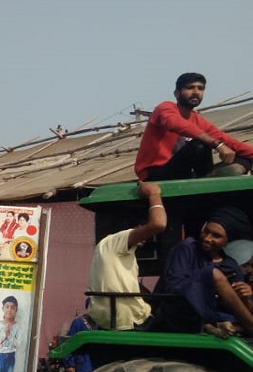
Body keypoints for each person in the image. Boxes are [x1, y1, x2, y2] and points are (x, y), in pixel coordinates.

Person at [153, 206, 253, 336]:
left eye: (216, 236)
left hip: (219, 315)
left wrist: (245, 297)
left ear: (227, 241)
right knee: (213, 274)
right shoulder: (186, 249)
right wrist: (211, 284)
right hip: (181, 313)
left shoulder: (231, 266)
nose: (207, 238)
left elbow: (238, 306)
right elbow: (173, 285)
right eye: (206, 231)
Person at [135, 73, 253, 182]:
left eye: (200, 88)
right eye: (190, 88)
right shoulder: (165, 108)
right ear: (177, 93)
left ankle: (209, 179)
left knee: (244, 158)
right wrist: (218, 145)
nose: (196, 92)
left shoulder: (198, 120)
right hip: (156, 174)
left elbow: (229, 141)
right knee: (200, 144)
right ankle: (208, 180)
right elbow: (176, 123)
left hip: (186, 174)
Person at [86, 182, 167, 330]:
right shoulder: (114, 241)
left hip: (120, 318)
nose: (146, 237)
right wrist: (154, 194)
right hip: (130, 321)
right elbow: (159, 224)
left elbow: (122, 282)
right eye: (144, 230)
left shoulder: (112, 250)